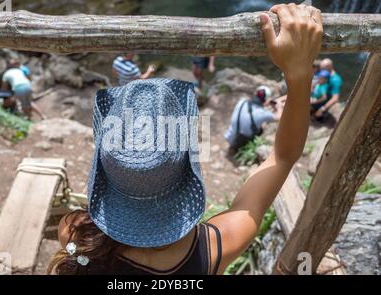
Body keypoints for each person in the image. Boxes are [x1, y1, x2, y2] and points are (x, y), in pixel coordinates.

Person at [49, 3, 323, 275]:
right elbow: (283, 157)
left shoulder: (74, 233)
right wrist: (298, 72)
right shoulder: (216, 247)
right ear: (184, 167)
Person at [224, 86, 283, 151]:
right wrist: (279, 107)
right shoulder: (263, 113)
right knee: (264, 125)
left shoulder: (242, 101)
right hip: (240, 142)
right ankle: (241, 148)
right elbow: (278, 117)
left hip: (229, 136)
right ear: (266, 100)